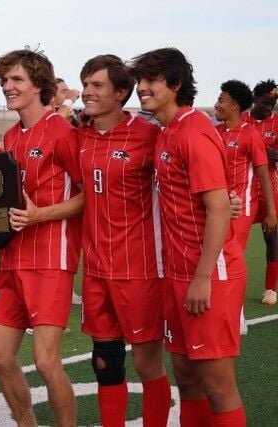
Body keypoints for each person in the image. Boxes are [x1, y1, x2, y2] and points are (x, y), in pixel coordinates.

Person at [131, 47, 247, 426]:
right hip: (177, 275)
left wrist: (202, 277)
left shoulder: (194, 132)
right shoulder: (167, 130)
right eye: (140, 80)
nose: (142, 88)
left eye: (151, 80)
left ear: (176, 83)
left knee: (217, 385)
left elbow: (217, 209)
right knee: (186, 376)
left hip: (209, 276)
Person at [0, 48, 83, 427]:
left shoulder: (62, 132)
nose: (8, 87)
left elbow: (88, 196)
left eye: (16, 80)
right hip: (12, 258)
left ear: (39, 85)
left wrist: (40, 214)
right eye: (5, 81)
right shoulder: (11, 135)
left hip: (50, 260)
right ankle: (26, 423)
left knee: (45, 360)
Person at [76, 54, 171, 427]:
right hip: (96, 270)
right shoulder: (80, 132)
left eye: (97, 85)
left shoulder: (149, 136)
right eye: (85, 84)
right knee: (105, 362)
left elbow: (181, 180)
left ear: (121, 93)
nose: (87, 92)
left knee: (148, 365)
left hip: (140, 270)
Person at [215, 80, 277, 249]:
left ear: (234, 106)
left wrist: (271, 212)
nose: (216, 105)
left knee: (234, 252)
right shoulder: (217, 131)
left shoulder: (250, 135)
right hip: (219, 202)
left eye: (220, 101)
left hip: (245, 203)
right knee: (218, 254)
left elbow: (263, 174)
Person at [242, 79, 278, 305]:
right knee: (233, 239)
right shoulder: (241, 121)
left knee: (272, 237)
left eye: (272, 104)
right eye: (265, 103)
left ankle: (270, 289)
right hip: (242, 189)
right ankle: (230, 284)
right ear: (255, 99)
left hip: (268, 190)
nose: (268, 108)